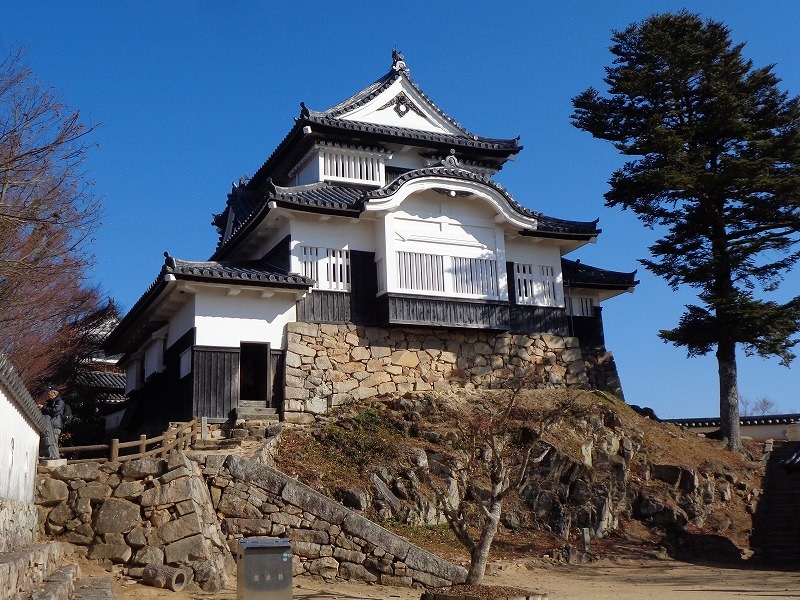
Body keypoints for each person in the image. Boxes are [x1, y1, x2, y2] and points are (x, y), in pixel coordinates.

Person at [39, 386, 65, 459]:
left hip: (55, 425)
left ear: (54, 393)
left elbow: (55, 411)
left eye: (49, 392)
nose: (48, 394)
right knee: (49, 441)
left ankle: (54, 457)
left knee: (53, 441)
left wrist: (43, 408)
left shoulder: (60, 402)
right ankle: (50, 456)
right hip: (50, 424)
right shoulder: (50, 402)